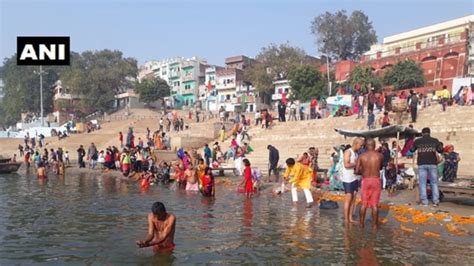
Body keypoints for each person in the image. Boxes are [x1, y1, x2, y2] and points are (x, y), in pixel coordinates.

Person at [410, 127, 444, 207]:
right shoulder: (435, 140)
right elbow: (440, 150)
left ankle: (425, 202)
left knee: (422, 183)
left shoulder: (418, 141)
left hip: (422, 164)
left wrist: (415, 145)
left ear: (422, 133)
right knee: (434, 183)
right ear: (429, 133)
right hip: (432, 164)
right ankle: (435, 201)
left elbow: (411, 150)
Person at [355, 138, 383, 229]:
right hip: (376, 180)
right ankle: (375, 225)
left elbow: (356, 171)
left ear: (366, 146)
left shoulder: (361, 156)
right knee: (375, 205)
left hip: (366, 180)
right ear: (374, 146)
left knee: (364, 204)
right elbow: (380, 167)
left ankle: (361, 224)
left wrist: (363, 172)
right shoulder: (380, 156)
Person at [342, 138, 363, 224]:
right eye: (361, 145)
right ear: (356, 144)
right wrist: (356, 163)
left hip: (355, 178)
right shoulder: (348, 152)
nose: (361, 147)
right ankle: (346, 219)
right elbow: (346, 165)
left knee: (353, 198)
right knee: (348, 198)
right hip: (348, 179)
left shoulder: (356, 154)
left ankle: (350, 217)